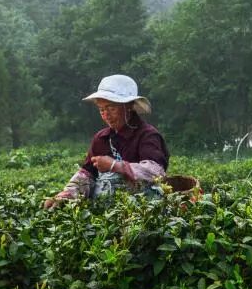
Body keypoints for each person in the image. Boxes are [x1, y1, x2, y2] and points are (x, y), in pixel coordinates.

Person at [45, 74, 169, 208]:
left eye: (111, 108)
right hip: (106, 212)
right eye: (102, 110)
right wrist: (66, 194)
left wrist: (115, 165)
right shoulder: (101, 138)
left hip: (143, 211)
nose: (106, 115)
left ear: (128, 106)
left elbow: (155, 172)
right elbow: (87, 174)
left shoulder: (147, 135)